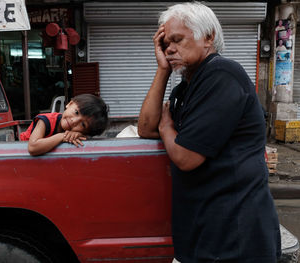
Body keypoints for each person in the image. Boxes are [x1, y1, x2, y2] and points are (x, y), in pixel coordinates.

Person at [138, 2, 281, 262]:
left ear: (208, 37)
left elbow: (186, 157)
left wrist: (167, 126)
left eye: (177, 39)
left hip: (236, 238)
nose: (169, 48)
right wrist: (163, 69)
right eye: (164, 43)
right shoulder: (187, 87)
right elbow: (146, 128)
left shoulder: (222, 74)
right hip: (205, 231)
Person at [20, 94, 108, 156]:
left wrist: (80, 135)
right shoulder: (45, 121)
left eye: (83, 124)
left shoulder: (76, 134)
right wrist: (62, 136)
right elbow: (32, 148)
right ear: (69, 104)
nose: (74, 121)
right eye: (76, 112)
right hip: (20, 154)